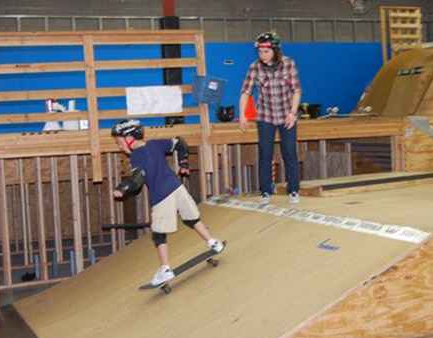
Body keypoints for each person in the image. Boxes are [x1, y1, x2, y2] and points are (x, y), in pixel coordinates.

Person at [111, 119, 225, 286]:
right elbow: (181, 143)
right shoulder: (155, 144)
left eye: (119, 142)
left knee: (159, 234)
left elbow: (137, 179)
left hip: (161, 196)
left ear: (129, 138)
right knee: (191, 219)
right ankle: (213, 242)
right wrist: (184, 162)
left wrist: (122, 188)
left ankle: (165, 269)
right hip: (177, 188)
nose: (119, 146)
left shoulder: (137, 156)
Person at [239, 31, 302, 204]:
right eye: (259, 52)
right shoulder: (255, 67)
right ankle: (265, 191)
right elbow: (245, 92)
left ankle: (294, 190)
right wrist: (242, 114)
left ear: (275, 50)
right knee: (265, 154)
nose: (262, 55)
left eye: (266, 52)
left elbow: (297, 91)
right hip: (265, 116)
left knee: (289, 152)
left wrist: (293, 112)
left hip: (286, 115)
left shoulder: (289, 64)